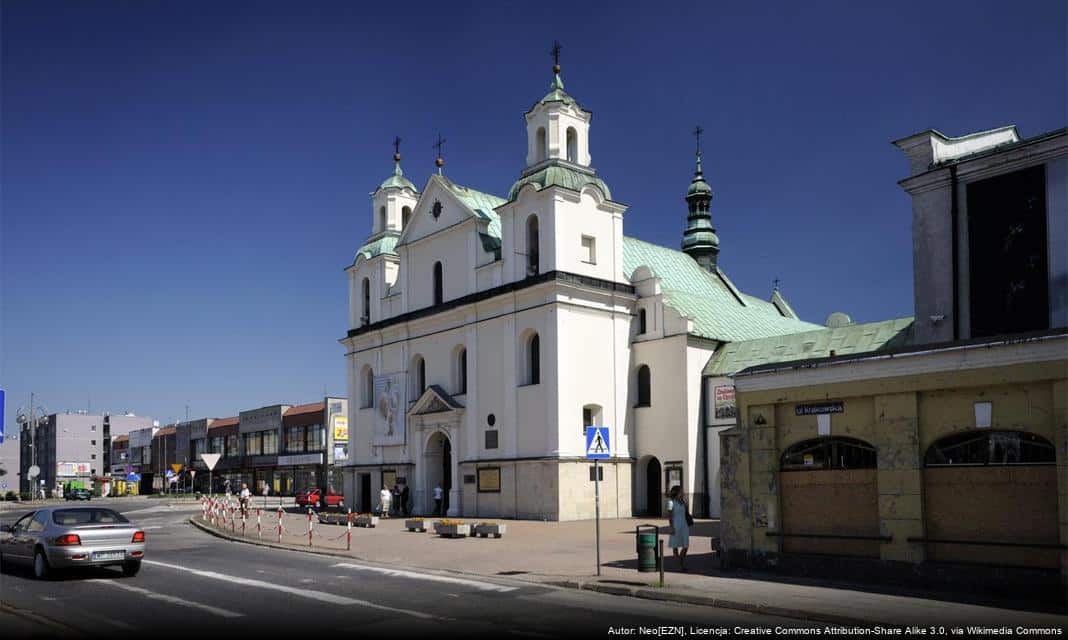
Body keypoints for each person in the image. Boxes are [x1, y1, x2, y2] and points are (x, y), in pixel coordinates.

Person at [666, 485, 691, 571]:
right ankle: (680, 565)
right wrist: (671, 527)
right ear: (677, 492)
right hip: (675, 524)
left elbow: (686, 513)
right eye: (681, 491)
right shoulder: (670, 502)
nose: (683, 492)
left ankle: (680, 561)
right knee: (675, 545)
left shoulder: (683, 501)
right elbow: (669, 516)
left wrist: (686, 504)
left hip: (684, 525)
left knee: (686, 545)